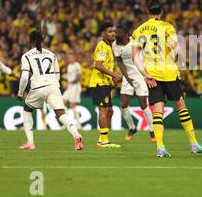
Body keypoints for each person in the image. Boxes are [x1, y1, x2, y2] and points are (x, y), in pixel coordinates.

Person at [131, 0, 202, 157]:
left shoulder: (139, 30)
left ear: (147, 11)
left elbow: (135, 56)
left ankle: (160, 147)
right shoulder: (167, 27)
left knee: (157, 111)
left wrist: (145, 75)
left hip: (152, 75)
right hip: (170, 73)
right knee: (181, 106)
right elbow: (177, 49)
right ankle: (194, 143)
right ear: (162, 12)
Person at [17, 28, 83, 150]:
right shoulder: (52, 54)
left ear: (30, 41)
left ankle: (30, 142)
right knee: (61, 112)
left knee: (27, 110)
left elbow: (25, 77)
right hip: (53, 85)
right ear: (42, 41)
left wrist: (20, 93)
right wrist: (52, 86)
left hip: (38, 86)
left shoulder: (26, 56)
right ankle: (76, 134)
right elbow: (57, 75)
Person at [112, 24, 155, 142]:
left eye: (118, 31)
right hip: (128, 76)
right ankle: (132, 128)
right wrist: (127, 77)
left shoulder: (135, 42)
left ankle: (152, 130)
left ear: (125, 34)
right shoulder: (115, 45)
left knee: (143, 104)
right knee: (123, 104)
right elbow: (119, 62)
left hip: (140, 74)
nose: (115, 34)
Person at [89, 20, 122, 148]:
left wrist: (112, 77)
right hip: (99, 83)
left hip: (105, 82)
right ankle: (103, 141)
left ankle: (101, 139)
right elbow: (98, 65)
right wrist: (114, 75)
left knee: (110, 111)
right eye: (110, 32)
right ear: (103, 34)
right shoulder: (102, 46)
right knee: (104, 111)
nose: (113, 34)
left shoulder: (109, 46)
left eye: (114, 31)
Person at [63, 49, 83, 129]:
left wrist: (70, 82)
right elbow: (69, 77)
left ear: (74, 57)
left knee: (72, 105)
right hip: (70, 87)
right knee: (62, 103)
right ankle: (67, 123)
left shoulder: (77, 65)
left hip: (75, 87)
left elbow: (79, 78)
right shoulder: (69, 66)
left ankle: (78, 124)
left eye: (71, 57)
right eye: (69, 57)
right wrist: (67, 83)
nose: (70, 59)